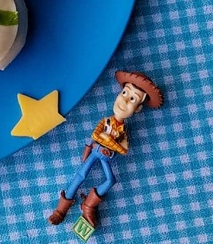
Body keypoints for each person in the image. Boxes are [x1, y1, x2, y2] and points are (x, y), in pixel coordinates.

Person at [48, 70, 164, 229]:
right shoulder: (106, 121)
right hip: (96, 152)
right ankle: (61, 209)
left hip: (106, 157)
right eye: (124, 93)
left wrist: (108, 140)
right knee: (81, 175)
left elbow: (124, 150)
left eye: (132, 99)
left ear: (137, 108)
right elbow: (96, 134)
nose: (124, 101)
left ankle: (88, 205)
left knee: (110, 180)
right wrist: (108, 143)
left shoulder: (123, 131)